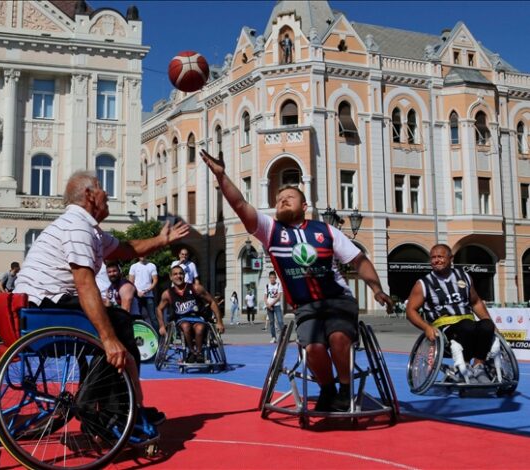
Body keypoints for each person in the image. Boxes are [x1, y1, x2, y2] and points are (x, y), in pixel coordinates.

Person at [200, 149, 392, 412]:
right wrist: (222, 177)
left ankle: (344, 392)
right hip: (305, 306)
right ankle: (327, 389)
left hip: (337, 300)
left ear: (304, 206)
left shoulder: (326, 230)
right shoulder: (270, 231)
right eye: (278, 199)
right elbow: (241, 206)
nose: (282, 201)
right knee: (313, 346)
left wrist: (377, 288)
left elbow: (359, 261)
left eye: (289, 197)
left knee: (337, 337)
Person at [13, 170, 189, 426]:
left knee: (113, 319)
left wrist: (161, 240)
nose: (106, 192)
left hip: (37, 306)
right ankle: (114, 414)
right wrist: (109, 340)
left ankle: (111, 406)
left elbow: (126, 248)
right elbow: (85, 285)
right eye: (101, 187)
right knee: (118, 324)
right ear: (89, 195)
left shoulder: (87, 229)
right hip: (45, 306)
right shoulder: (77, 226)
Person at [405, 244, 497, 384]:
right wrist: (426, 328)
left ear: (450, 258)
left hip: (469, 323)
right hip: (445, 329)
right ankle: (463, 367)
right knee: (467, 326)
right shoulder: (423, 284)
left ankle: (479, 366)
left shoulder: (464, 277)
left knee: (487, 325)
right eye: (433, 257)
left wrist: (489, 323)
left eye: (440, 257)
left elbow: (476, 302)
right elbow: (410, 310)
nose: (436, 260)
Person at [156, 265, 225, 363]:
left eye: (180, 273)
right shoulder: (167, 293)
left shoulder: (196, 288)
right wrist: (161, 326)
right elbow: (159, 309)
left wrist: (219, 322)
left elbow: (212, 302)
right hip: (181, 320)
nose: (178, 276)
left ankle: (199, 353)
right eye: (175, 274)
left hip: (198, 318)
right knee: (185, 325)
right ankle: (192, 352)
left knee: (200, 328)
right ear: (171, 277)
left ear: (184, 276)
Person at [128, 256, 159, 331]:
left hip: (149, 295)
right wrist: (137, 292)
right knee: (137, 317)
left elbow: (155, 280)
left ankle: (158, 337)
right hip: (137, 295)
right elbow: (131, 282)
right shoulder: (134, 266)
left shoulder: (152, 265)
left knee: (153, 317)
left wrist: (148, 289)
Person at [264, 272, 285, 342]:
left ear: (276, 278)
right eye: (271, 277)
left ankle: (283, 336)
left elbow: (279, 297)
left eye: (273, 277)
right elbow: (265, 297)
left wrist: (271, 304)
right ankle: (273, 337)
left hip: (277, 306)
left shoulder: (278, 285)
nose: (272, 279)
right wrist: (267, 305)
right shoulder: (267, 286)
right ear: (269, 278)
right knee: (271, 322)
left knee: (280, 321)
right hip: (269, 307)